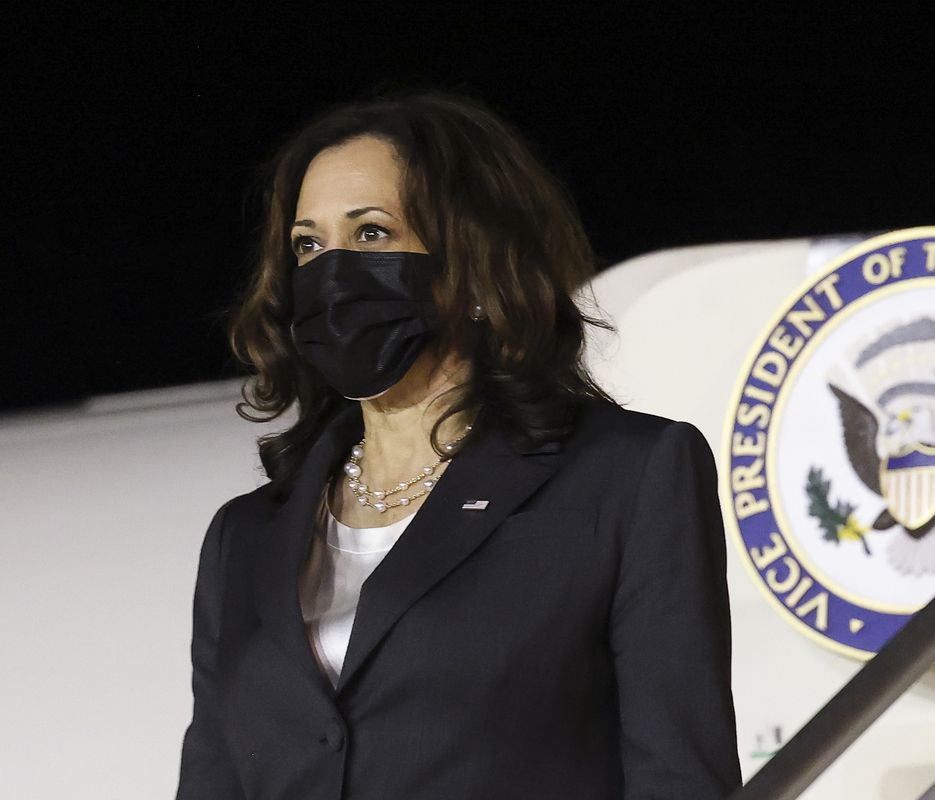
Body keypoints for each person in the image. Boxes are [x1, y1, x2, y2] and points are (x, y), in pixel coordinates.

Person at [176, 91, 740, 800]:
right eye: (308, 245)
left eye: (372, 233)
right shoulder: (245, 537)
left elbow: (680, 779)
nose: (331, 273)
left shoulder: (626, 479)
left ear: (475, 265)